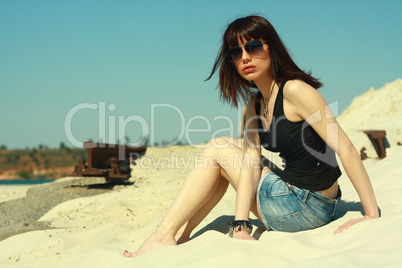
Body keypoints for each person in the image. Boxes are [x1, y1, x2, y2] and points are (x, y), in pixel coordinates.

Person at [124, 15, 379, 258]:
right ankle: (180, 234)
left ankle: (163, 234)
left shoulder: (296, 90)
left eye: (253, 47)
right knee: (228, 158)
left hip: (304, 207)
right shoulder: (254, 104)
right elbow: (250, 163)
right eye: (236, 52)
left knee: (217, 147)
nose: (245, 57)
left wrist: (370, 215)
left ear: (272, 48)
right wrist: (242, 224)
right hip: (310, 202)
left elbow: (346, 149)